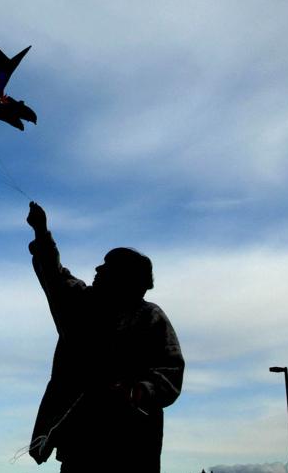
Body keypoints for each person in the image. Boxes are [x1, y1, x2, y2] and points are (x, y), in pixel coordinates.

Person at [26, 202, 184, 472]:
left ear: (126, 279)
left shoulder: (150, 317)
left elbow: (171, 371)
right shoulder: (82, 305)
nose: (97, 269)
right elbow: (54, 274)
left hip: (132, 448)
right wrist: (41, 231)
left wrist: (139, 391)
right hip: (79, 445)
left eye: (107, 266)